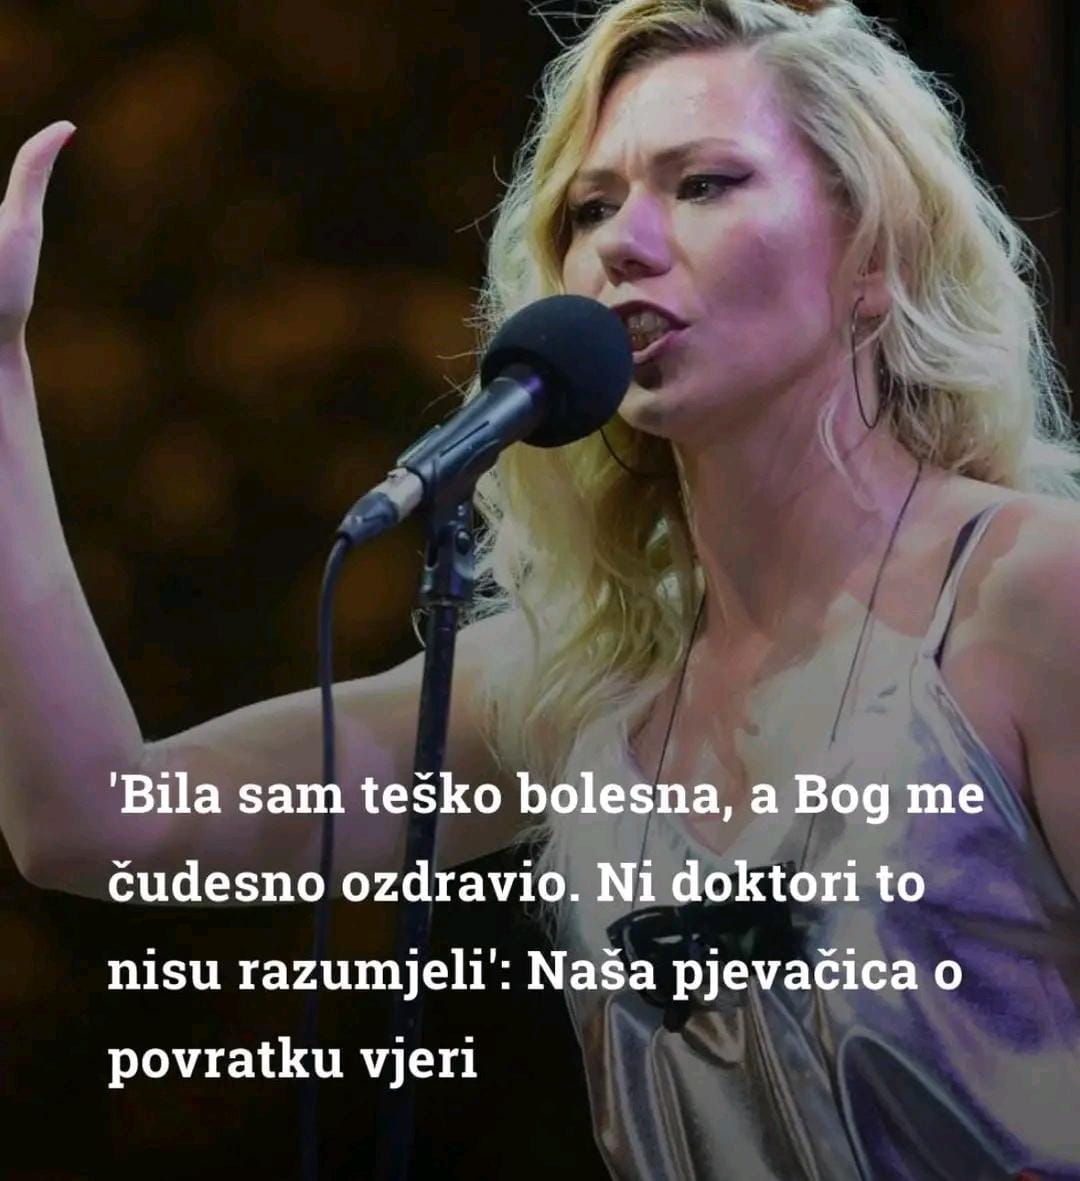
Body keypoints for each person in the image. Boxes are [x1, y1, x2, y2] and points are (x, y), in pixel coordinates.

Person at [2, 0, 1079, 1176]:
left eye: (704, 183)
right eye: (590, 208)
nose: (624, 242)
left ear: (873, 255)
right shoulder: (580, 683)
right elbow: (99, 820)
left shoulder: (1032, 593)